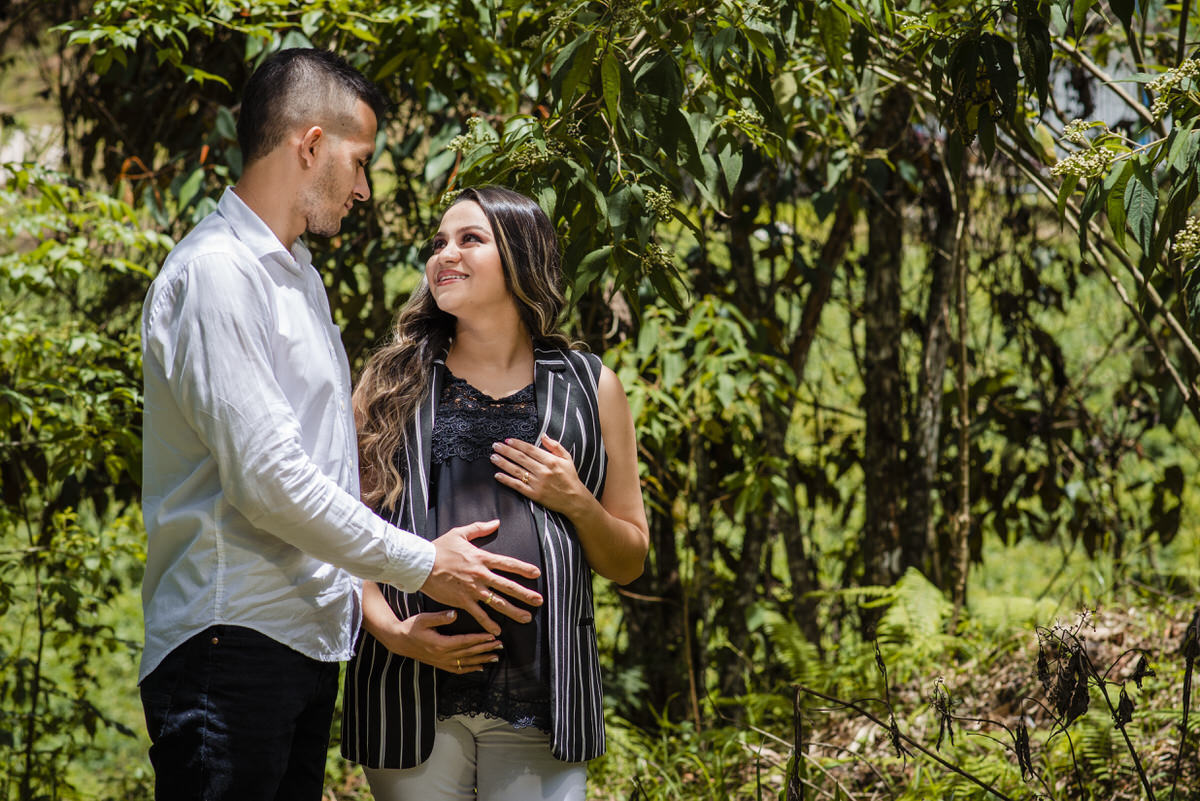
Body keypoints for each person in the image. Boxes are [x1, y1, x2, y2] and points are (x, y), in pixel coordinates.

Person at [138, 50, 543, 801]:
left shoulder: (298, 278)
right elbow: (269, 483)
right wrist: (423, 564)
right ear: (311, 144)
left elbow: (326, 468)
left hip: (297, 649)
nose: (362, 188)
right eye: (359, 162)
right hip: (230, 645)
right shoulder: (219, 272)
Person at [341, 186, 650, 801]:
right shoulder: (389, 382)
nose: (443, 255)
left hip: (546, 693)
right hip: (410, 691)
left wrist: (578, 503)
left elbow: (629, 560)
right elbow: (343, 531)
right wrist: (394, 633)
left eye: (469, 240)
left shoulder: (594, 388)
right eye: (438, 243)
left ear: (521, 257)